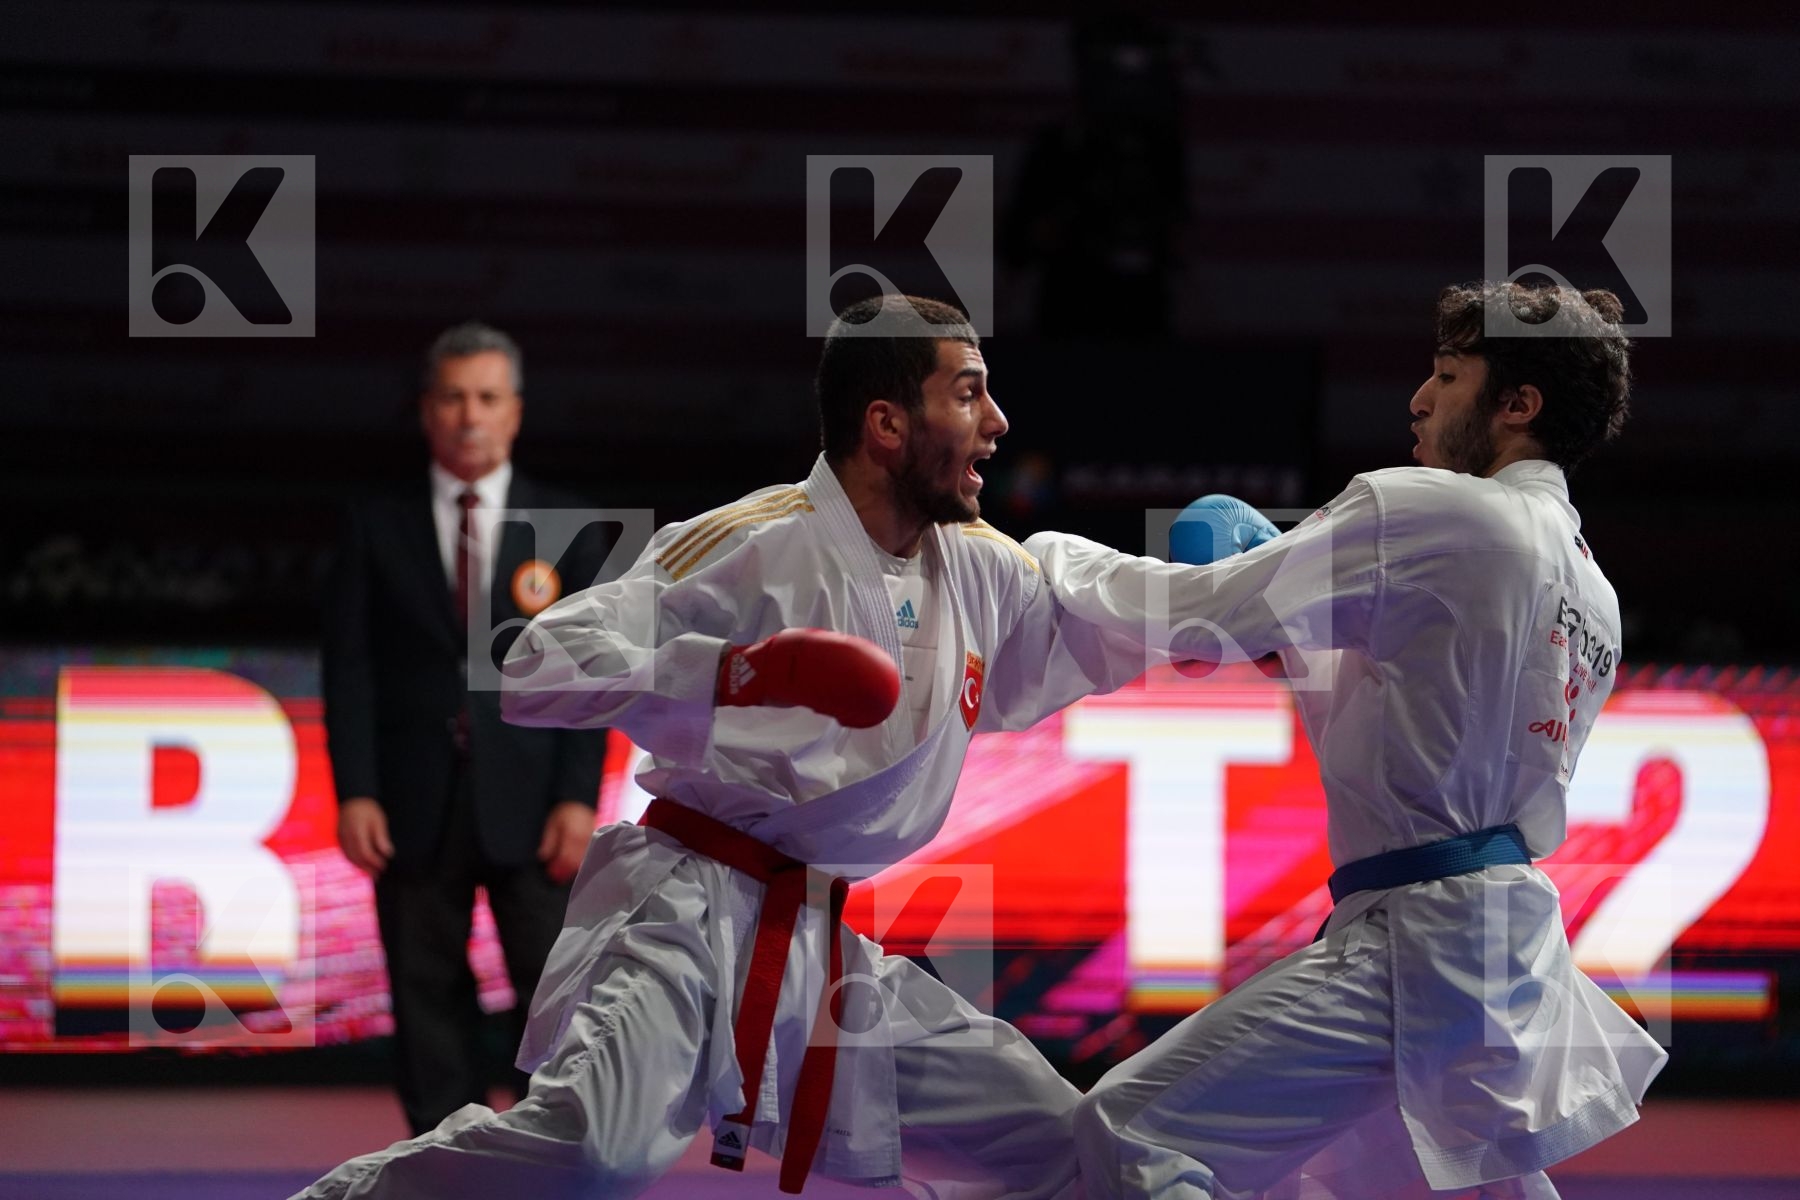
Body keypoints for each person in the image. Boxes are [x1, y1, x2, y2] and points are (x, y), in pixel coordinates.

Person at [293, 295, 1150, 1200]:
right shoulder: (757, 539)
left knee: (1052, 1130)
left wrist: (1241, 599)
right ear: (886, 423)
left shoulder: (967, 564)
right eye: (970, 393)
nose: (997, 423)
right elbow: (535, 664)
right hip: (680, 909)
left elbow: (1121, 602)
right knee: (595, 1150)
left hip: (811, 935)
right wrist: (738, 672)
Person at [1022, 281, 1668, 1199]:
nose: (1419, 399)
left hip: (1421, 941)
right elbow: (1416, 726)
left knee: (1130, 1130)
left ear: (1518, 405)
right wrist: (1289, 640)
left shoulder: (1430, 508)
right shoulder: (1590, 594)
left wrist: (1042, 555)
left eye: (1448, 376)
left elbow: (1198, 615)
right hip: (1499, 946)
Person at [321, 321, 610, 1136]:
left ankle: (557, 1153)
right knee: (425, 994)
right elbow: (350, 668)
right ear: (426, 410)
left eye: (486, 398)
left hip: (534, 800)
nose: (468, 415)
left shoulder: (568, 525)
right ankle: (444, 1163)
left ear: (515, 412)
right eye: (452, 398)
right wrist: (358, 791)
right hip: (411, 802)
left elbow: (590, 676)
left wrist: (578, 798)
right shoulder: (376, 523)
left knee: (554, 994)